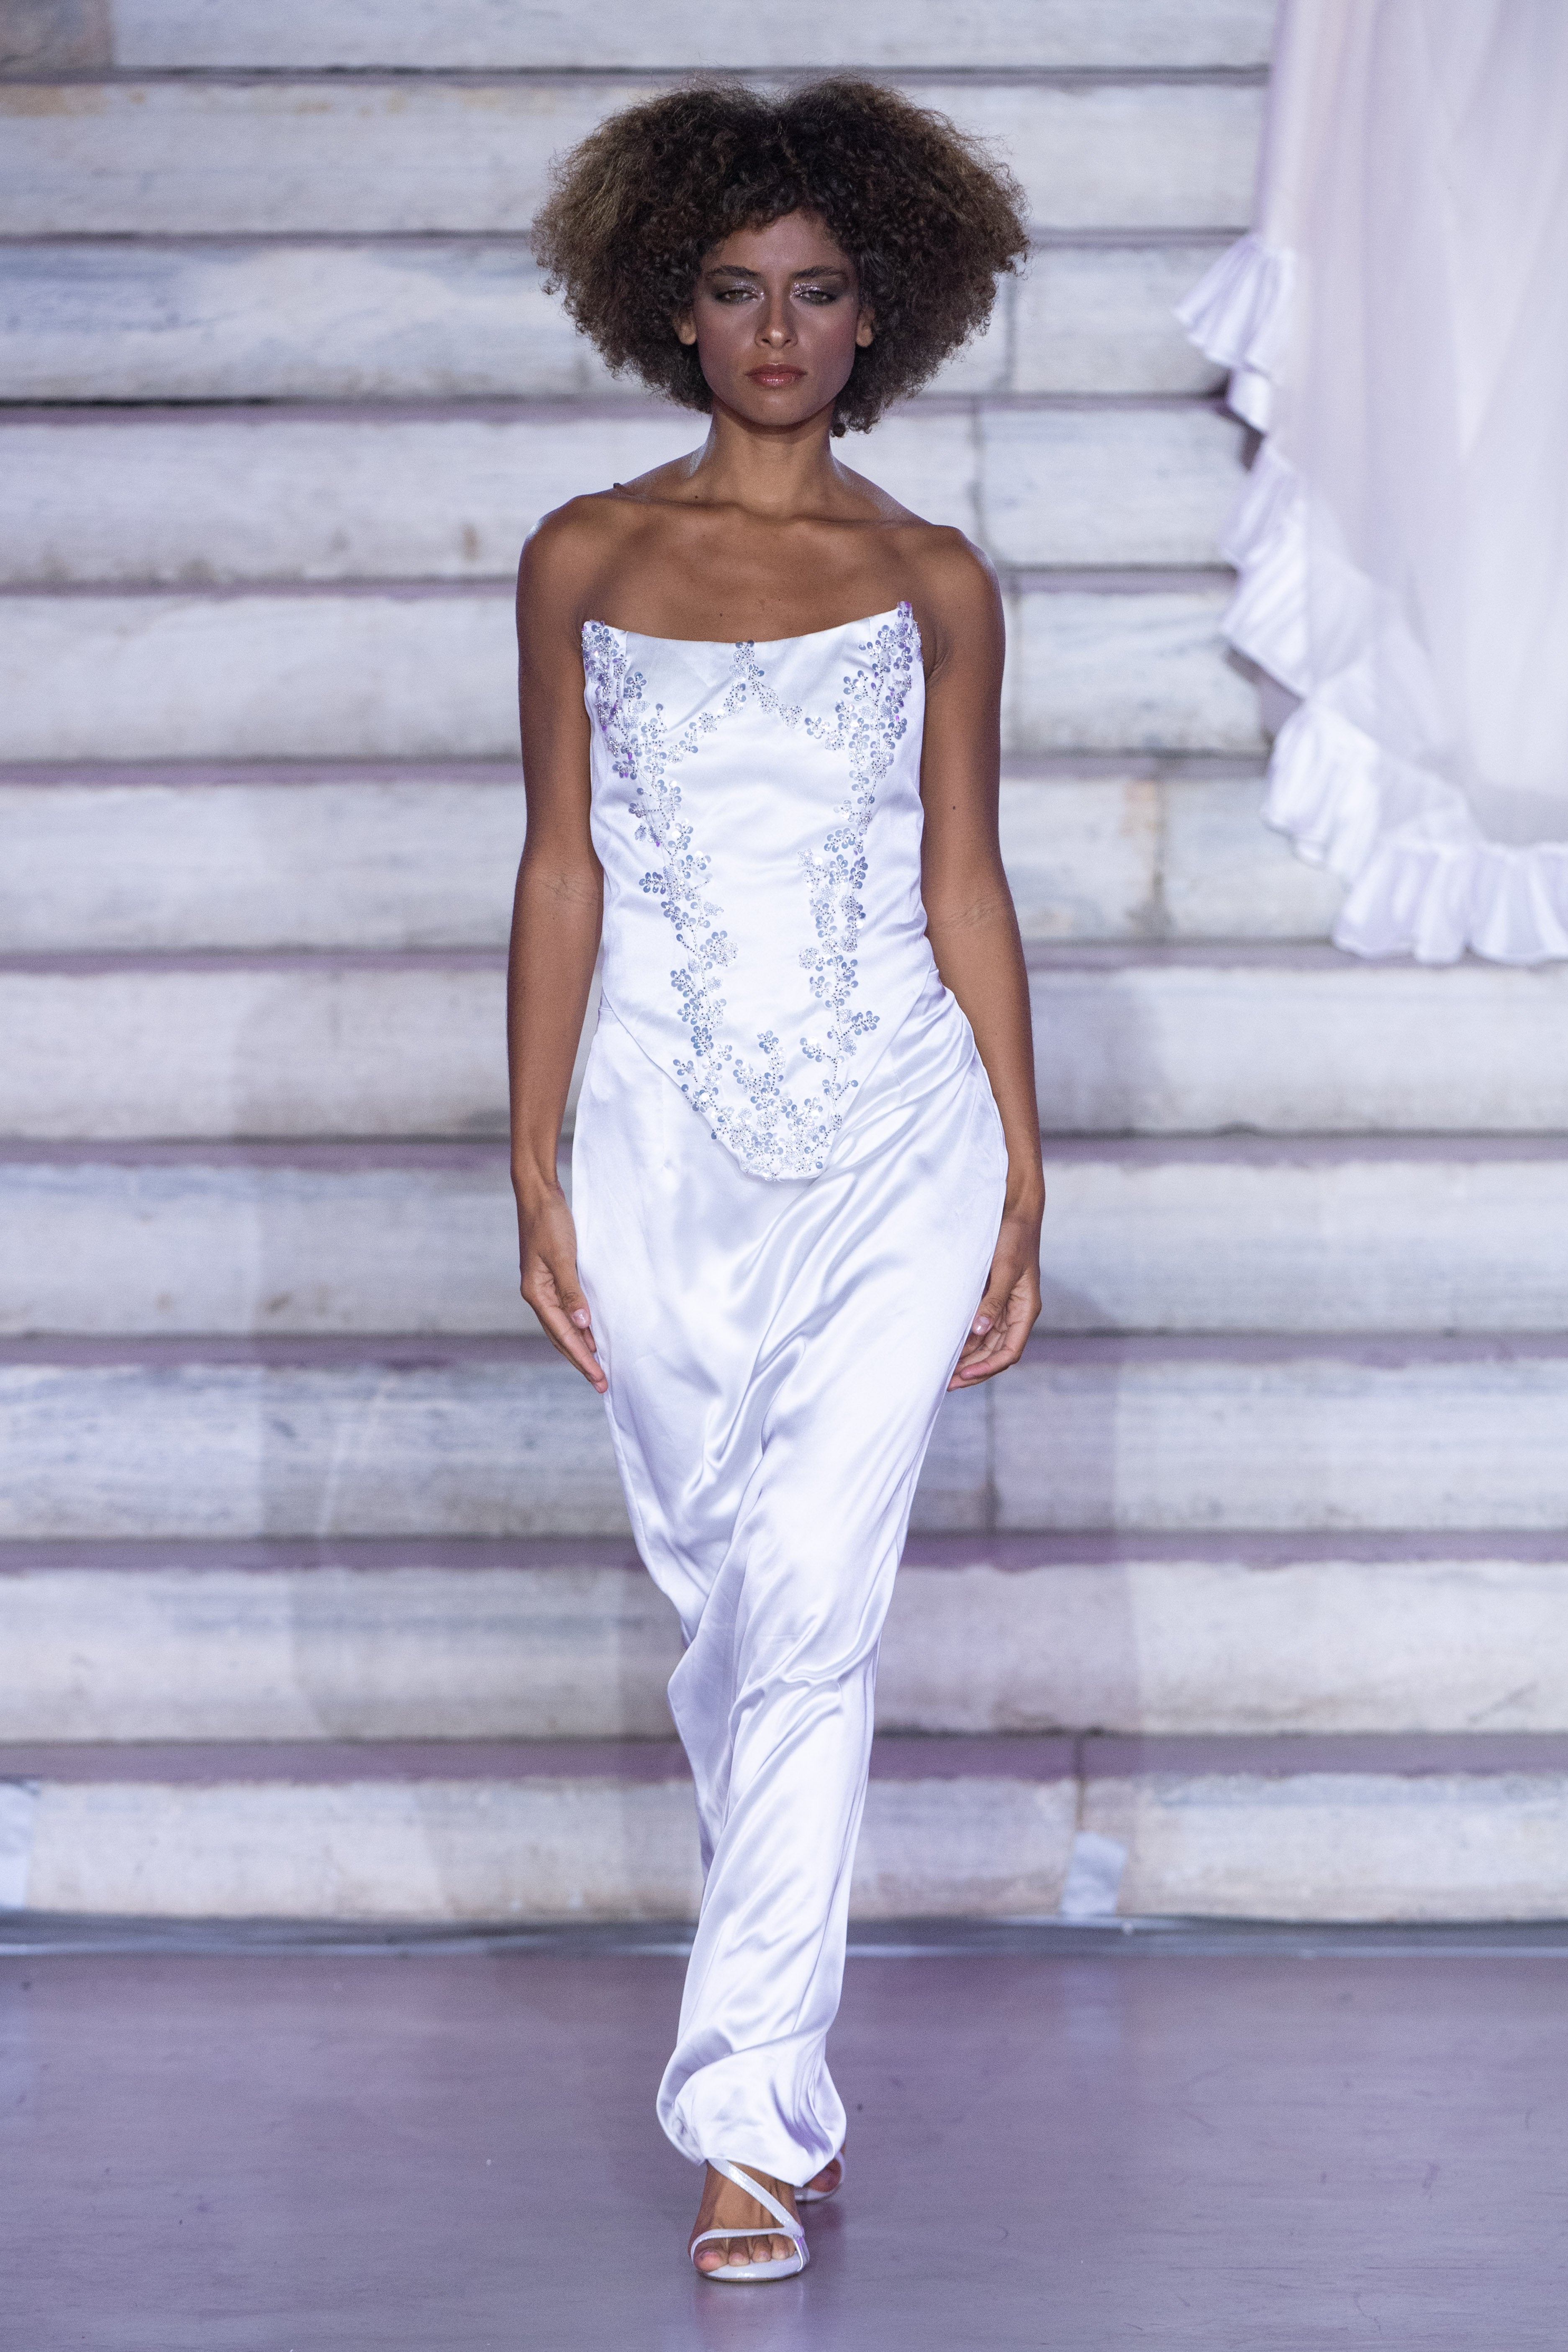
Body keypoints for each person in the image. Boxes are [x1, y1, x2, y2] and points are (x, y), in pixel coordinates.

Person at [509, 77, 1042, 2283]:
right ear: (671, 303)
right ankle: (786, 2067)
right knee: (728, 1608)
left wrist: (1022, 1176)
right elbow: (560, 867)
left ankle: (745, 2113)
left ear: (879, 310)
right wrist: (531, 1155)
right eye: (736, 290)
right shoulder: (584, 557)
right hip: (655, 1128)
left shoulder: (931, 583)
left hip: (899, 1132)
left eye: (818, 292)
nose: (777, 331)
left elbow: (962, 878)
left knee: (812, 1603)